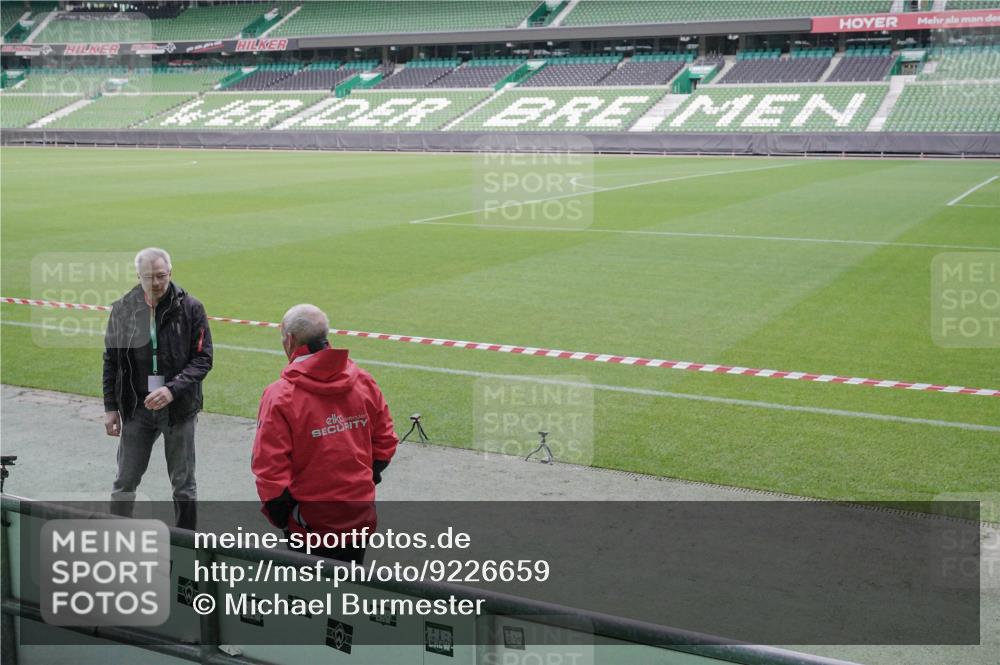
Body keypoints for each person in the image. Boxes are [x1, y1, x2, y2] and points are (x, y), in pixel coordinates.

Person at [251, 304, 398, 563]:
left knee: (311, 597)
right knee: (350, 589)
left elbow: (269, 469)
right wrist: (366, 479)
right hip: (358, 516)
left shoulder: (280, 395)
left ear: (290, 340)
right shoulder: (363, 381)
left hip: (310, 525)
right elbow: (385, 440)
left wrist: (285, 515)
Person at [103, 247, 212, 530]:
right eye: (149, 277)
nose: (156, 283)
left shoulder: (191, 308)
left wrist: (172, 389)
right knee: (124, 481)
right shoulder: (123, 309)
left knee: (184, 486)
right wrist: (110, 407)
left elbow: (203, 359)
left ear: (171, 273)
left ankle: (186, 549)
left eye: (161, 276)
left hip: (178, 409)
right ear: (137, 276)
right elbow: (111, 360)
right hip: (137, 408)